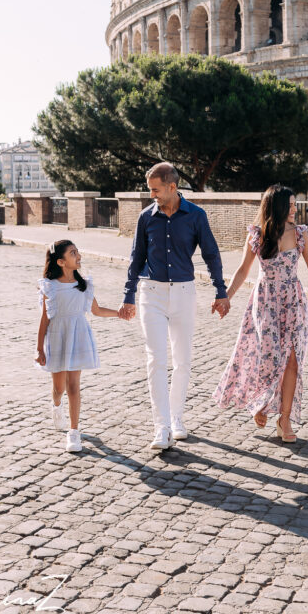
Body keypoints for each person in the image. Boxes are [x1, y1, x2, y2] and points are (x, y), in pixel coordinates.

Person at [118, 163, 230, 451]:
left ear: (172, 187)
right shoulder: (146, 218)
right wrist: (128, 296)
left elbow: (211, 254)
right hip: (151, 293)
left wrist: (221, 291)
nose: (152, 194)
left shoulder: (196, 216)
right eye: (149, 190)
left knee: (182, 359)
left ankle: (177, 418)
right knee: (156, 359)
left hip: (183, 293)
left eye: (155, 189)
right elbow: (135, 258)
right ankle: (161, 426)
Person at [213, 184, 308, 442]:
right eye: (289, 205)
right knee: (266, 356)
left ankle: (285, 418)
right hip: (265, 301)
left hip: (293, 301)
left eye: (294, 204)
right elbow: (243, 271)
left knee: (292, 359)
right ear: (275, 207)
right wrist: (226, 298)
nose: (294, 209)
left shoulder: (300, 234)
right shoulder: (256, 234)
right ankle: (261, 402)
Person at [35, 239, 127, 453]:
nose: (79, 256)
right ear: (60, 262)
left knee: (74, 386)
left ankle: (74, 432)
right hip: (57, 337)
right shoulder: (50, 286)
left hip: (78, 336)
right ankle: (57, 406)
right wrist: (39, 349)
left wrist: (119, 313)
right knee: (59, 388)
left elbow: (96, 310)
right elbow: (44, 319)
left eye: (77, 252)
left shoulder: (83, 284)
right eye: (73, 253)